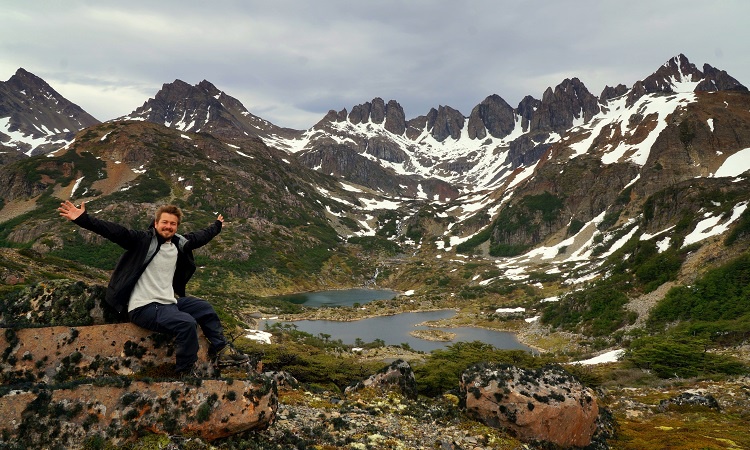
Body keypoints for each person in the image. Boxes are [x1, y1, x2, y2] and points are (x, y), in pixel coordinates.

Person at [58, 200, 247, 377]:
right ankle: (185, 371)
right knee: (187, 323)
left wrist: (217, 227)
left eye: (173, 224)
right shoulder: (142, 241)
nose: (168, 227)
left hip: (168, 304)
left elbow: (199, 237)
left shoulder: (179, 243)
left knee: (204, 308)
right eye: (164, 222)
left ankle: (222, 349)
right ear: (156, 223)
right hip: (144, 307)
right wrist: (83, 219)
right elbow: (116, 232)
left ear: (177, 227)